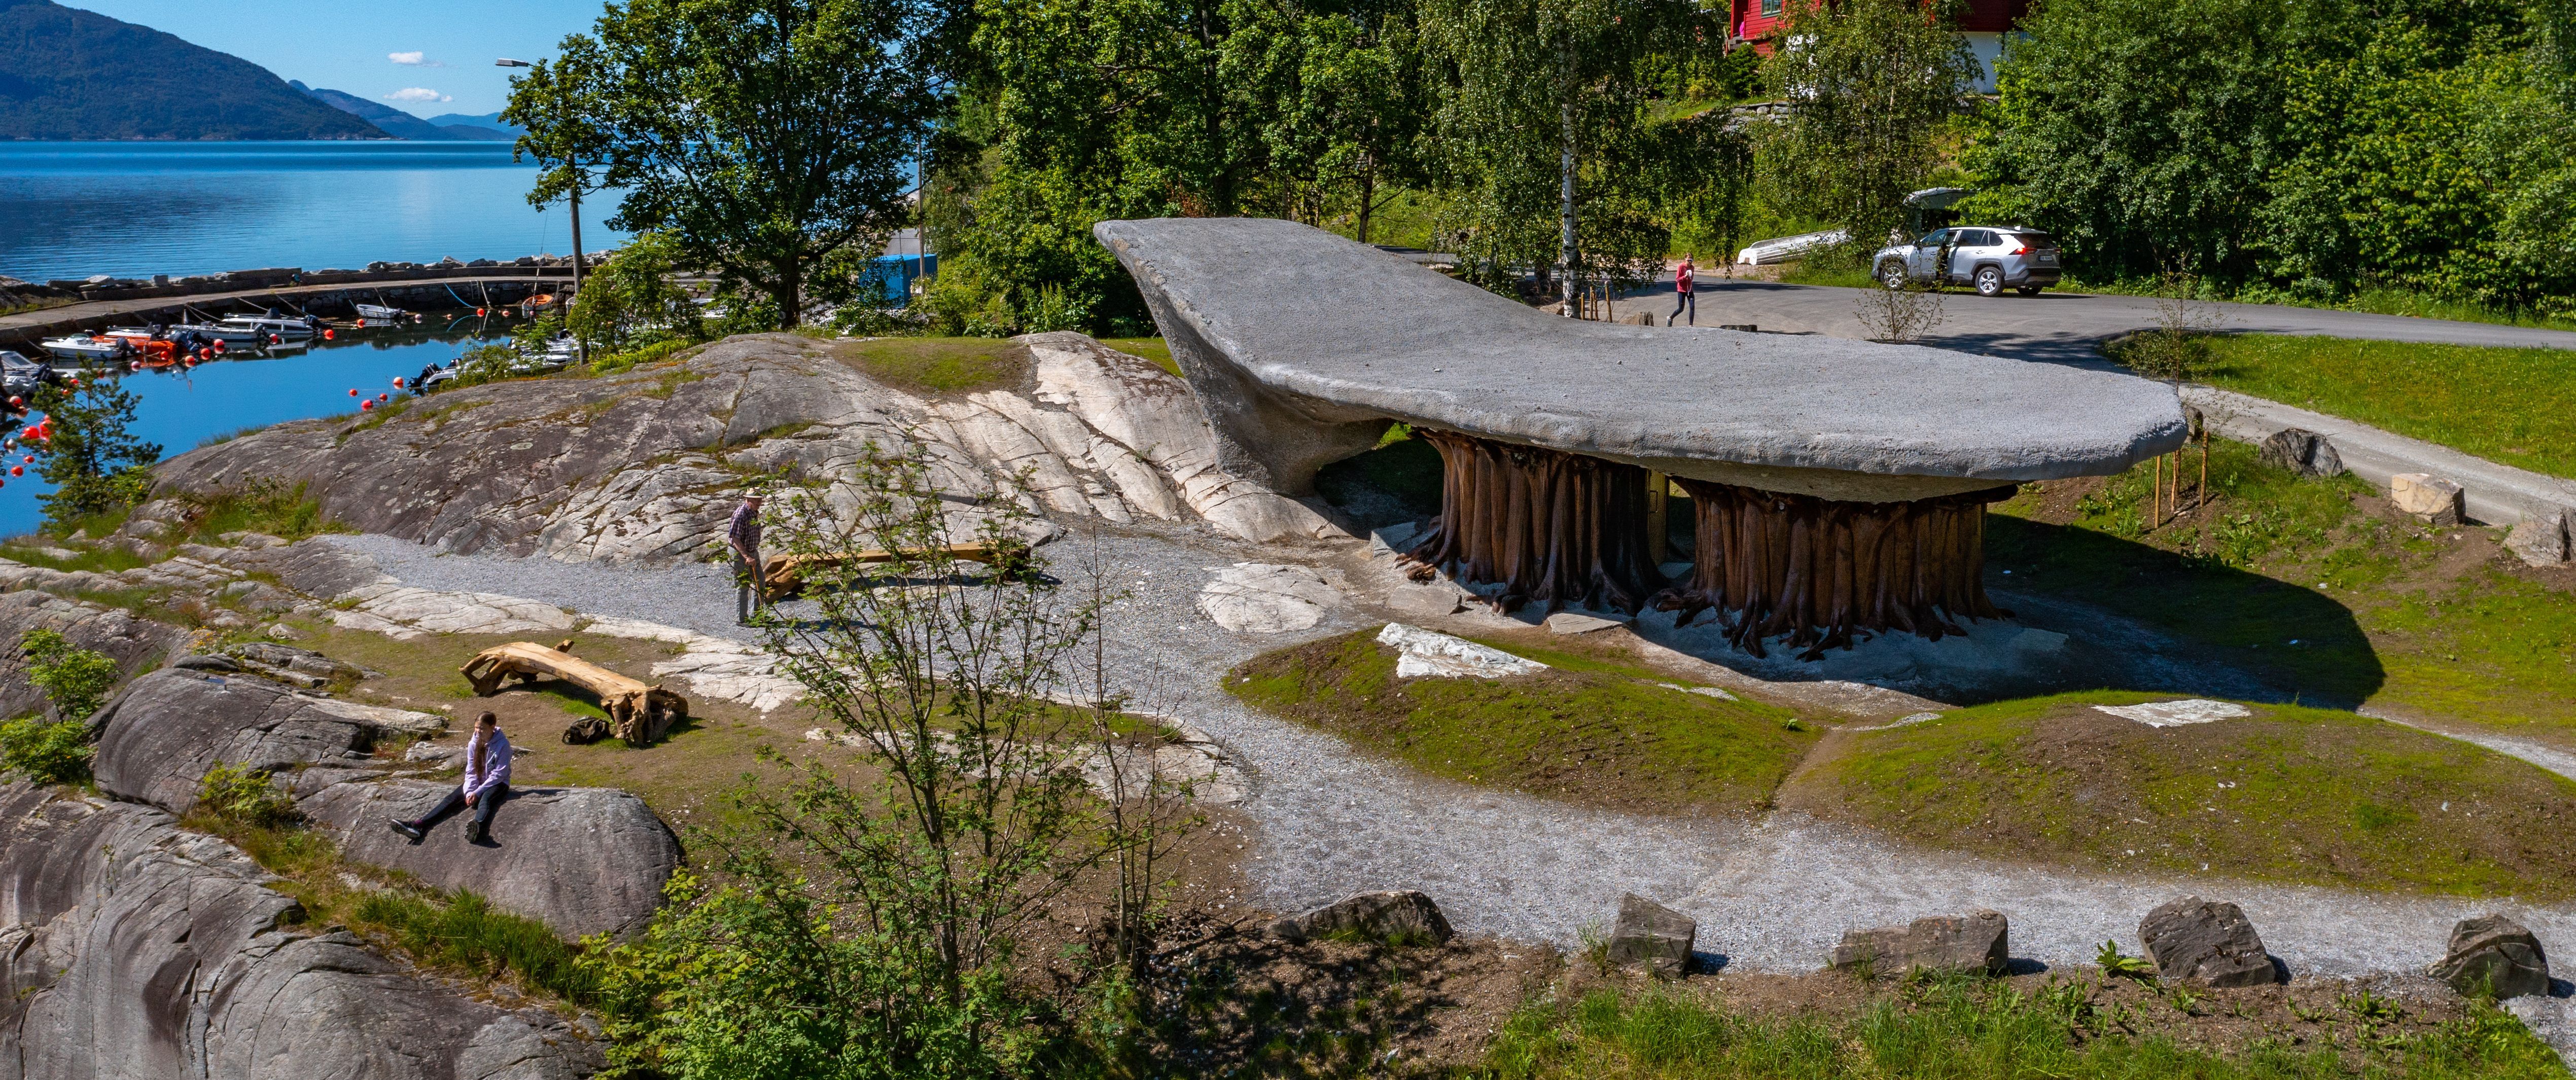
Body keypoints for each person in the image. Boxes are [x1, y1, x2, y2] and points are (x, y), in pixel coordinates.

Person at [389, 712, 511, 844]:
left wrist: (478, 792)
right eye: (476, 728)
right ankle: (418, 825)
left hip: (498, 783)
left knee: (485, 800)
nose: (478, 731)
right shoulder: (473, 744)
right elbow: (471, 771)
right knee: (450, 799)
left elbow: (499, 774)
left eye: (482, 728)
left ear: (493, 727)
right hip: (478, 782)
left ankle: (477, 827)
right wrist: (470, 791)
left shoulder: (503, 745)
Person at [727, 490, 767, 624]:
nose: (759, 503)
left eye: (760, 500)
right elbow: (734, 537)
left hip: (752, 551)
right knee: (743, 585)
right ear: (748, 499)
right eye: (756, 500)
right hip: (739, 553)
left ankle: (756, 616)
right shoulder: (741, 514)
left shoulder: (754, 513)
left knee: (760, 580)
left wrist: (752, 554)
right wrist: (746, 556)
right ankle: (742, 619)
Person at [1667, 256, 1696, 327]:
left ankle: (1691, 325)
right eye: (1689, 260)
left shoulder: (1692, 268)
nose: (1690, 262)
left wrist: (1690, 276)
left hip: (1689, 290)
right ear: (1686, 260)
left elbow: (1691, 279)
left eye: (1692, 260)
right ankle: (1670, 318)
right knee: (1681, 309)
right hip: (1682, 290)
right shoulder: (1681, 267)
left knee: (1692, 307)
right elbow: (1677, 280)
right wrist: (1685, 277)